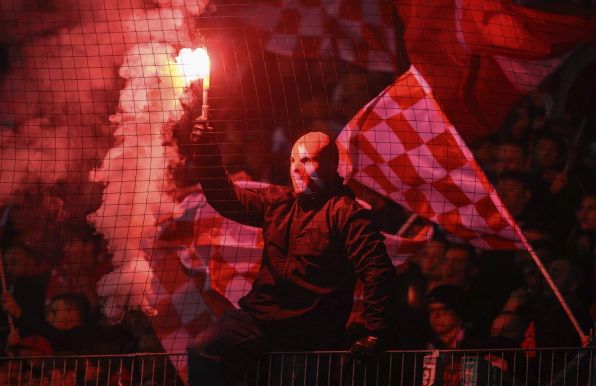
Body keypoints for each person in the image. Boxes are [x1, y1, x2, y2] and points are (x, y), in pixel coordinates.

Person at [186, 124, 399, 386]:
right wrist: (206, 150)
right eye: (292, 160)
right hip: (260, 319)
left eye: (307, 160)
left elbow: (377, 270)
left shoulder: (347, 215)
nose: (296, 168)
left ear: (333, 166)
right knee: (202, 349)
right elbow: (226, 197)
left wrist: (376, 333)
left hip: (310, 334)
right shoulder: (279, 203)